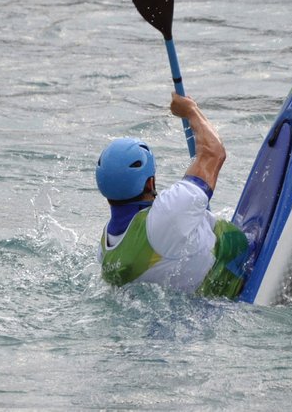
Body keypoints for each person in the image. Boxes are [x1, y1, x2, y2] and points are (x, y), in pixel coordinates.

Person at [95, 93, 247, 298]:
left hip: (202, 305)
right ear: (150, 182)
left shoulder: (106, 252)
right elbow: (214, 152)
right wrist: (190, 110)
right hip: (242, 273)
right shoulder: (166, 215)